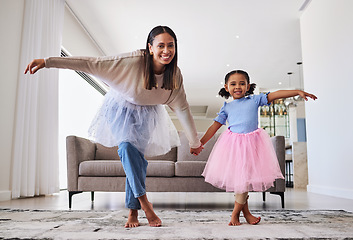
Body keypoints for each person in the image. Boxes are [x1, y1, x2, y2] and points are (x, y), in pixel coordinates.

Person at [25, 25, 203, 228]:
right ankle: (144, 203)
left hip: (147, 115)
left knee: (135, 161)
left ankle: (132, 212)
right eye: (160, 45)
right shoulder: (132, 62)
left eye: (170, 46)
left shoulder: (174, 76)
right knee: (127, 148)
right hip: (121, 110)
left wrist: (194, 141)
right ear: (150, 47)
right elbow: (90, 64)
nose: (166, 50)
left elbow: (182, 108)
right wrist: (48, 62)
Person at [191, 70, 317, 226]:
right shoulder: (227, 108)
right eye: (233, 84)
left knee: (243, 182)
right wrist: (199, 143)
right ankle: (235, 215)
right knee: (242, 182)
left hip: (253, 146)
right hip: (234, 148)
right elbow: (213, 127)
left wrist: (297, 91)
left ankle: (247, 214)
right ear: (226, 87)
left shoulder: (255, 100)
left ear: (248, 86)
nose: (238, 87)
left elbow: (276, 94)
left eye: (242, 83)